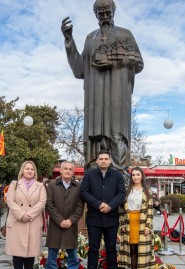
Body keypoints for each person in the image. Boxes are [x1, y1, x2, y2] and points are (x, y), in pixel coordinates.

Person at [61, 0, 143, 170]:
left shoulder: (125, 34)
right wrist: (69, 40)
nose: (105, 16)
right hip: (95, 100)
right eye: (101, 13)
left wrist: (112, 61)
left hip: (117, 96)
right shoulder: (90, 38)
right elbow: (79, 70)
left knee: (117, 135)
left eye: (108, 12)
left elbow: (138, 63)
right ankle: (93, 173)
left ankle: (119, 173)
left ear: (113, 12)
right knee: (94, 137)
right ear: (96, 15)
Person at [80, 150, 126, 269]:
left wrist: (111, 206)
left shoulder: (117, 175)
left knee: (111, 249)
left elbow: (121, 193)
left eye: (106, 158)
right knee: (93, 249)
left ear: (110, 161)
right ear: (97, 161)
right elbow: (83, 192)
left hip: (111, 219)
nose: (104, 161)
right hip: (94, 219)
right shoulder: (89, 175)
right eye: (101, 159)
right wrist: (98, 204)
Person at [5, 161, 47, 269]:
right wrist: (21, 214)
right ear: (22, 171)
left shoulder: (40, 186)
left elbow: (42, 202)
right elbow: (10, 201)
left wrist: (29, 214)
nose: (30, 171)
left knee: (30, 253)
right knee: (17, 253)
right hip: (17, 221)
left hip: (32, 221)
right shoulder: (14, 184)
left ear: (35, 172)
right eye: (27, 169)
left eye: (32, 169)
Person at [44, 161, 84, 269]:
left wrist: (70, 221)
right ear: (60, 171)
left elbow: (80, 207)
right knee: (52, 254)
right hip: (56, 225)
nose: (67, 171)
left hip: (70, 225)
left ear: (73, 172)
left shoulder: (78, 187)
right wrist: (60, 220)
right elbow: (49, 205)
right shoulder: (52, 186)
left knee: (72, 254)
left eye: (70, 169)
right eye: (65, 168)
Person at [118, 167, 156, 269]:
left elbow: (150, 211)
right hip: (130, 224)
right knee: (133, 251)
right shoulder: (127, 191)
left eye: (137, 175)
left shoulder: (147, 191)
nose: (135, 177)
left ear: (142, 176)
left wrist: (148, 227)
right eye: (133, 175)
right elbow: (122, 210)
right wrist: (122, 225)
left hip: (142, 224)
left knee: (141, 253)